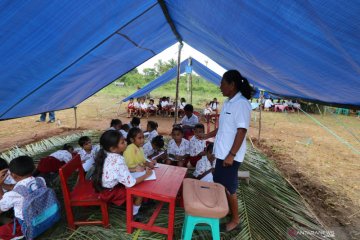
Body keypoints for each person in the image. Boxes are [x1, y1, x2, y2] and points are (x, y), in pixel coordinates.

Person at [202, 70, 252, 232]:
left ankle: (236, 221)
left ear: (232, 85)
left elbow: (241, 131)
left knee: (230, 187)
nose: (220, 86)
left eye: (223, 83)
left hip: (230, 156)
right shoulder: (228, 103)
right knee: (220, 182)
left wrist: (231, 155)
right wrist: (206, 136)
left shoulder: (241, 104)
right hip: (222, 153)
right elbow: (221, 128)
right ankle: (226, 211)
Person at [92, 130, 152, 221]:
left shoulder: (107, 154)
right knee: (139, 192)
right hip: (109, 192)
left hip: (103, 187)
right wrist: (146, 175)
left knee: (136, 182)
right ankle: (134, 215)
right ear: (113, 148)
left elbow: (117, 170)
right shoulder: (118, 159)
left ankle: (135, 205)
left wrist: (133, 169)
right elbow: (130, 183)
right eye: (122, 142)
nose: (126, 143)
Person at [0, 156, 47, 239]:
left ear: (13, 175)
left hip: (28, 227)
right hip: (45, 216)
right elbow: (17, 187)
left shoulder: (12, 194)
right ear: (34, 168)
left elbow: (1, 208)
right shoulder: (40, 180)